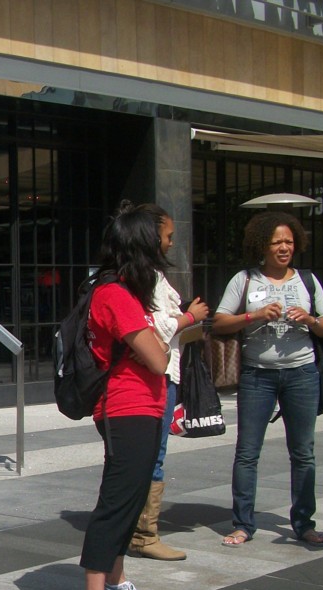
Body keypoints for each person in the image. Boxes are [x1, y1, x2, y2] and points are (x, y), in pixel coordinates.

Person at [72, 202, 169, 590]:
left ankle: (115, 583)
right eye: (164, 239)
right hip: (124, 408)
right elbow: (158, 358)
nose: (168, 247)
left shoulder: (123, 291)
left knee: (131, 499)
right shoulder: (114, 294)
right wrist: (158, 343)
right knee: (116, 502)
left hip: (142, 406)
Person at [212, 211, 323, 547]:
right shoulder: (245, 279)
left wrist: (309, 319)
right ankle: (243, 524)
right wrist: (255, 315)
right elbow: (219, 322)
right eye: (277, 242)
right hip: (257, 375)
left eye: (289, 242)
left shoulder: (307, 280)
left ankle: (304, 523)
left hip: (302, 373)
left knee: (303, 452)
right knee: (247, 452)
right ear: (262, 245)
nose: (284, 248)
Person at [127, 204, 209, 561]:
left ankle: (140, 530)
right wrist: (190, 316)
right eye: (168, 236)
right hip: (155, 376)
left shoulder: (150, 276)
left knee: (150, 454)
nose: (172, 243)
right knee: (152, 455)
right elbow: (154, 326)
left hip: (163, 372)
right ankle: (143, 534)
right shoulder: (146, 278)